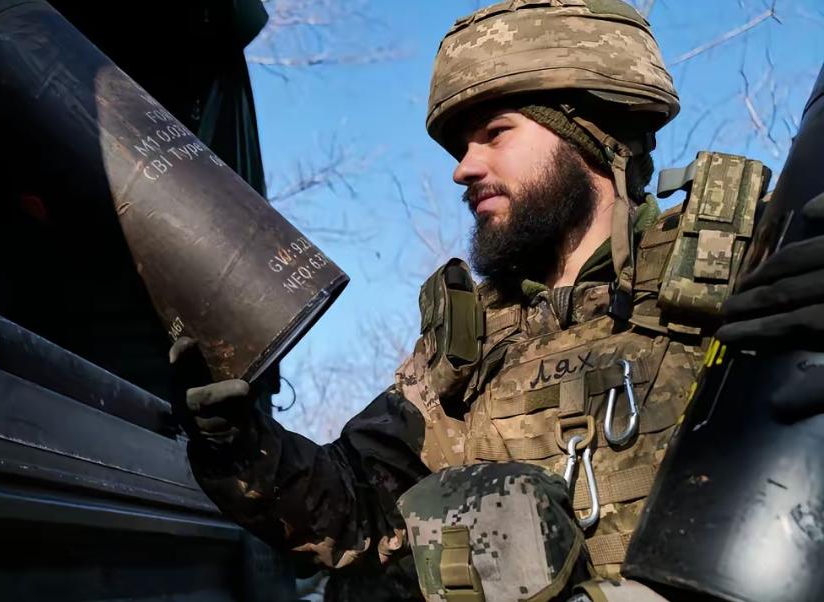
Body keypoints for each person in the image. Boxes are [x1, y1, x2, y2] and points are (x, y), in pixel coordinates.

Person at [167, 1, 824, 600]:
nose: (463, 167)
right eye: (459, 146)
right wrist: (236, 439)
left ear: (590, 133)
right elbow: (358, 513)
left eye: (494, 133)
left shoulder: (747, 260)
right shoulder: (469, 340)